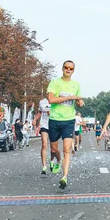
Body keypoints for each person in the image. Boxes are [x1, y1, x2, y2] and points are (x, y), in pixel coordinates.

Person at [47, 60, 84, 189]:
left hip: (69, 120)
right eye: (66, 67)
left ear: (73, 71)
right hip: (54, 119)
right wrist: (69, 98)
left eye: (71, 68)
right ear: (62, 68)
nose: (68, 70)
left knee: (67, 149)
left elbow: (79, 101)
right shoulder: (54, 82)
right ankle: (58, 159)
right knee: (53, 149)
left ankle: (64, 177)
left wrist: (80, 102)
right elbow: (51, 99)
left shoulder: (76, 85)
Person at [34, 97, 61, 175]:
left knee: (53, 149)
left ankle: (53, 160)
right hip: (44, 125)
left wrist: (52, 113)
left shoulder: (57, 100)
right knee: (44, 145)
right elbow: (39, 112)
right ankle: (44, 166)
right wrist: (35, 119)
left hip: (54, 125)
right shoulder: (42, 102)